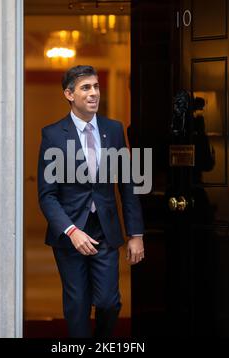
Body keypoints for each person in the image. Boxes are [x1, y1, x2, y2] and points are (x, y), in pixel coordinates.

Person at [37, 65, 145, 338]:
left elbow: (128, 185)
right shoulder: (52, 135)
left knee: (109, 302)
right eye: (86, 87)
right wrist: (71, 231)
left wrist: (136, 233)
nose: (94, 92)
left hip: (105, 231)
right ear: (69, 94)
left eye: (96, 86)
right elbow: (47, 195)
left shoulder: (114, 129)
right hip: (70, 234)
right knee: (77, 305)